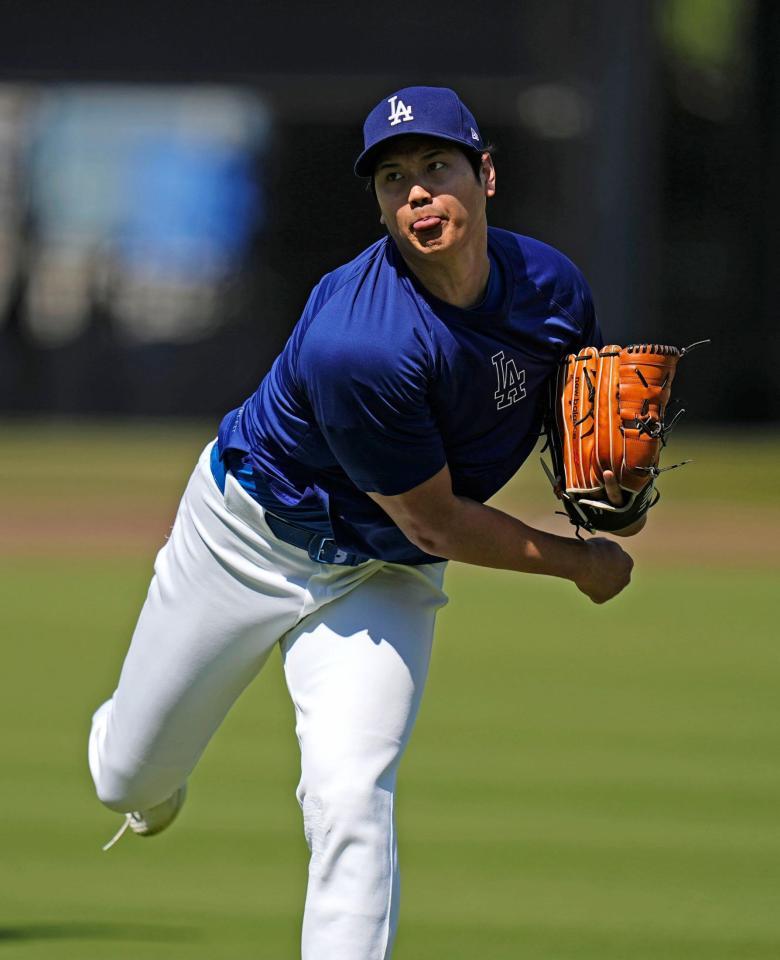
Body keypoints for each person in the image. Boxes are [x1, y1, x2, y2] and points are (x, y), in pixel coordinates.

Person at [88, 85, 636, 960]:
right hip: (247, 541)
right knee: (126, 779)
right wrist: (582, 561)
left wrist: (597, 472)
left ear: (485, 173)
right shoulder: (363, 341)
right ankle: (135, 760)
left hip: (378, 577)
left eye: (435, 167)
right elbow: (437, 526)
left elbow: (566, 413)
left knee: (350, 794)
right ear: (378, 203)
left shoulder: (553, 289)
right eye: (392, 179)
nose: (416, 193)